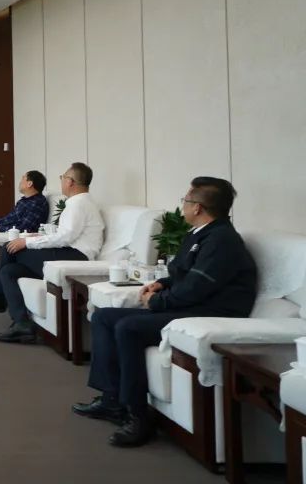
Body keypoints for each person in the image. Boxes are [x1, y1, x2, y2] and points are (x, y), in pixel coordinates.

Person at [73, 177, 257, 447]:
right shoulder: (201, 233)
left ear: (198, 207)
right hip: (191, 305)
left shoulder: (222, 240)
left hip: (209, 312)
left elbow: (196, 287)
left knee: (128, 328)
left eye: (186, 200)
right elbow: (185, 275)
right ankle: (112, 399)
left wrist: (158, 302)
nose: (183, 205)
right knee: (103, 317)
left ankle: (138, 415)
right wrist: (163, 284)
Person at [0, 162, 104, 344]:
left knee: (10, 249)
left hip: (74, 256)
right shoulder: (82, 202)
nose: (61, 181)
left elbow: (65, 237)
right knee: (8, 271)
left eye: (63, 177)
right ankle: (22, 323)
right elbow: (65, 235)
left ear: (70, 181)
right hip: (67, 252)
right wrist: (38, 236)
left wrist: (27, 242)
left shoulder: (78, 204)